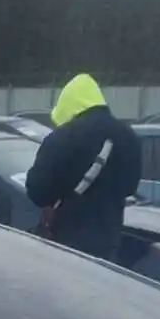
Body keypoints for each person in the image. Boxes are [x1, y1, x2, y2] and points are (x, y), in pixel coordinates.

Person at [23, 73, 141, 262]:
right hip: (108, 238)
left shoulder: (63, 137)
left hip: (66, 240)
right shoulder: (128, 136)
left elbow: (38, 192)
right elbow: (130, 187)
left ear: (68, 105)